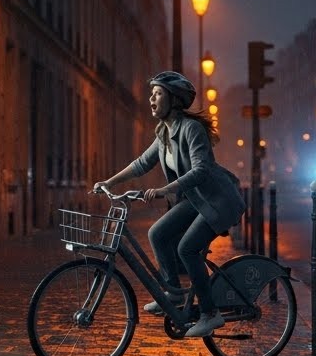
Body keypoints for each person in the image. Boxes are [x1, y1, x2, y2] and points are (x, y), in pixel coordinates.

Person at [94, 71, 246, 338]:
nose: (151, 98)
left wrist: (166, 189)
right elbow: (142, 163)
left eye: (158, 93)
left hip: (218, 200)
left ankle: (211, 314)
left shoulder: (191, 129)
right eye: (152, 93)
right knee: (158, 233)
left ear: (174, 99)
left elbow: (202, 170)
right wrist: (109, 181)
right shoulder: (164, 132)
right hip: (197, 199)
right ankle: (174, 294)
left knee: (187, 248)